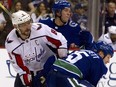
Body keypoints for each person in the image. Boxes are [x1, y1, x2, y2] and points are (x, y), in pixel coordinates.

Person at [5, 10, 68, 87]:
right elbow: (21, 68)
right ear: (15, 26)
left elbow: (61, 41)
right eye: (23, 25)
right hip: (29, 70)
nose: (28, 27)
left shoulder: (41, 30)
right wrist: (28, 83)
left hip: (48, 67)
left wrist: (62, 62)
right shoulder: (11, 43)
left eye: (28, 22)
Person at [46, 41, 114, 87]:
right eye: (108, 57)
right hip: (67, 76)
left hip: (52, 72)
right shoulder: (99, 61)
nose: (108, 61)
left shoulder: (82, 51)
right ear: (101, 53)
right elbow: (92, 83)